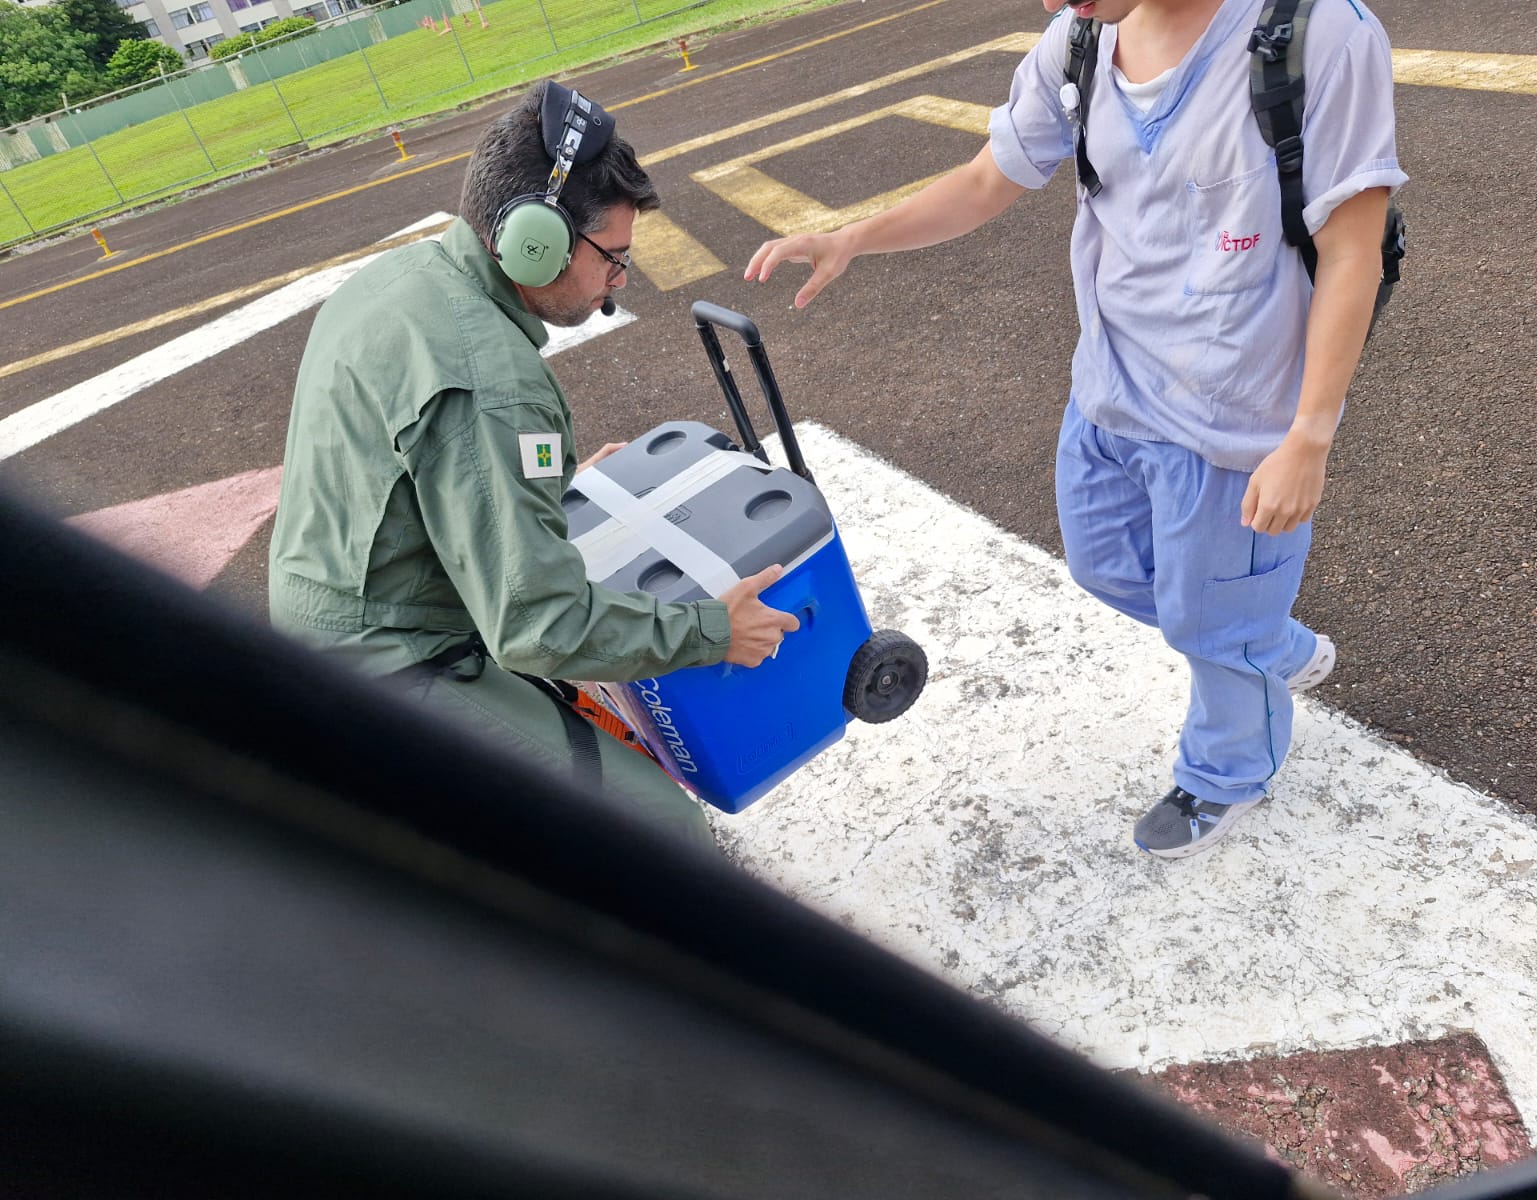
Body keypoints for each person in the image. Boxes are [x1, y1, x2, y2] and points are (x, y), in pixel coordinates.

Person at [746, 0, 1405, 857]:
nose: (1053, 1)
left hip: (1233, 414)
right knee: (1107, 569)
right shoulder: (1085, 38)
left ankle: (1228, 769)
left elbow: (1353, 246)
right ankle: (1264, 636)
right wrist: (855, 238)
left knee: (1208, 628)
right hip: (1111, 390)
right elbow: (992, 178)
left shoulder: (1319, 35)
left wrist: (1309, 437)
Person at [270, 80, 799, 851]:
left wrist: (548, 483)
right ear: (534, 243)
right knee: (662, 830)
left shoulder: (403, 279)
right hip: (390, 663)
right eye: (613, 259)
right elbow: (537, 624)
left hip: (341, 608)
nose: (619, 281)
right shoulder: (492, 383)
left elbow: (434, 473)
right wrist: (716, 631)